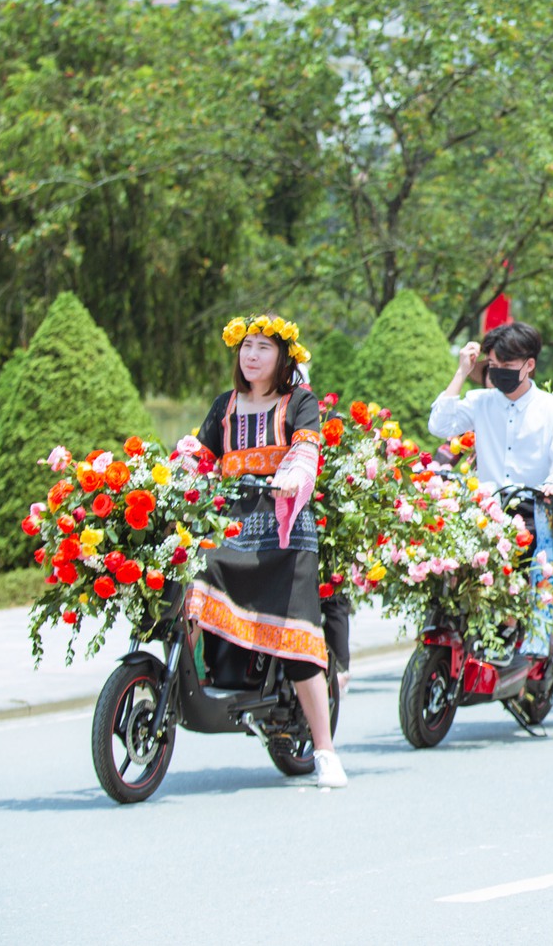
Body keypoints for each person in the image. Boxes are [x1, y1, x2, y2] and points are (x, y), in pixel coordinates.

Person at [187, 314, 344, 788]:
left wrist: (293, 475)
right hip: (232, 527)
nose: (252, 356)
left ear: (283, 357)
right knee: (190, 585)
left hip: (285, 531)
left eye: (263, 348)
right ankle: (191, 679)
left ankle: (325, 751)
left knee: (297, 642)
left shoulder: (299, 401)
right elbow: (200, 458)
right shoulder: (225, 406)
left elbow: (306, 449)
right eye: (246, 347)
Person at [428, 322, 553, 655]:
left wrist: (552, 485)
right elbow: (439, 425)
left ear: (529, 364)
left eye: (507, 367)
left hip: (533, 508)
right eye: (494, 366)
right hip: (485, 509)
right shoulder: (480, 401)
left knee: (526, 571)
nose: (499, 373)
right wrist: (461, 372)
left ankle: (523, 639)